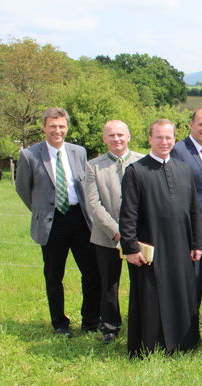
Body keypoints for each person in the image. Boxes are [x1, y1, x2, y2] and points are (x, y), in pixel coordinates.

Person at [119, 119, 202, 357]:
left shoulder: (183, 169)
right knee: (152, 296)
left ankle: (183, 342)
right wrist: (131, 247)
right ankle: (151, 345)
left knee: (182, 291)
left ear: (174, 139)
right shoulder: (136, 171)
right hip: (151, 247)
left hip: (181, 245)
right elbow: (128, 215)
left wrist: (197, 242)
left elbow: (194, 210)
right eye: (159, 137)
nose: (164, 142)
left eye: (168, 138)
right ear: (150, 139)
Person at [15, 107, 101, 337]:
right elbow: (23, 189)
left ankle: (91, 321)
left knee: (91, 272)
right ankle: (60, 324)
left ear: (67, 127)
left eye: (62, 126)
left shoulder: (79, 152)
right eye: (53, 126)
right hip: (52, 222)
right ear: (43, 127)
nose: (58, 130)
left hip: (80, 219)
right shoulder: (30, 155)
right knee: (54, 276)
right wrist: (41, 211)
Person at [85, 120, 144, 343]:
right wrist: (117, 232)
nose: (116, 139)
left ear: (128, 136)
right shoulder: (94, 166)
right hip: (107, 236)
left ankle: (141, 320)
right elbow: (93, 204)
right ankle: (110, 326)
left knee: (140, 280)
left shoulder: (141, 161)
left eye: (120, 134)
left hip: (139, 236)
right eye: (111, 135)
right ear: (104, 139)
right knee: (109, 283)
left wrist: (132, 233)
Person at [170, 109, 202, 311]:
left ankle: (193, 316)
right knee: (185, 276)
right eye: (201, 124)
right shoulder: (178, 151)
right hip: (186, 227)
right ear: (191, 125)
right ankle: (181, 317)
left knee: (199, 274)